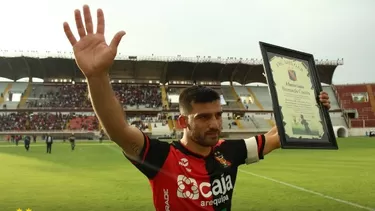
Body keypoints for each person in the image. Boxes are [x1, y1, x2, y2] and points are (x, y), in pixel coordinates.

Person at [63, 5, 332, 210]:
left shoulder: (230, 151)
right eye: (203, 117)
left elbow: (279, 135)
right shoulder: (161, 157)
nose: (215, 124)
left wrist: (312, 107)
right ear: (183, 122)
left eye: (218, 115)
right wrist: (97, 77)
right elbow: (118, 130)